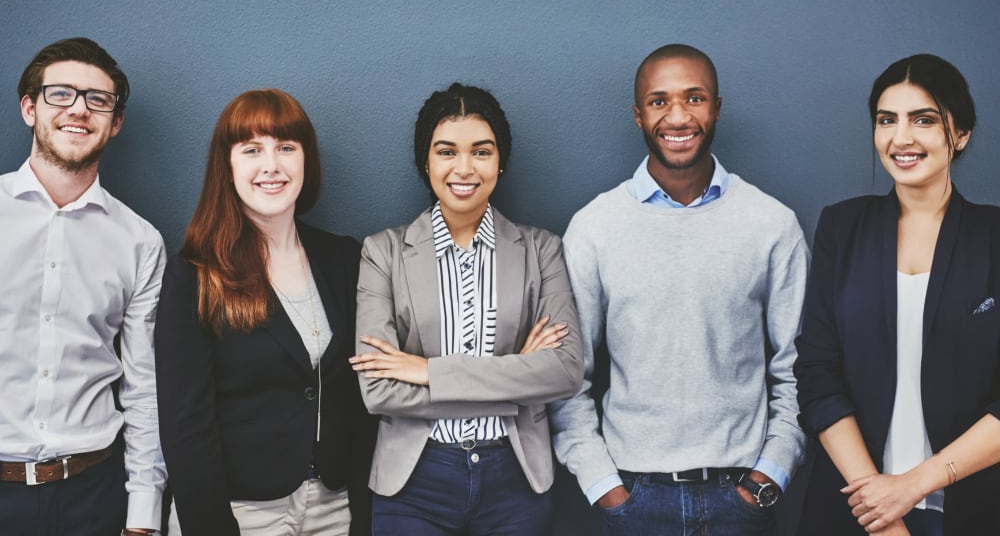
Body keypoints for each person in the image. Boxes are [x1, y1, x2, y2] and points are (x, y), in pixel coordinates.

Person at [549, 43, 809, 535]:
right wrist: (605, 486)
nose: (677, 116)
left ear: (716, 108)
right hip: (634, 499)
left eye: (694, 98)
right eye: (659, 101)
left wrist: (767, 478)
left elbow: (797, 368)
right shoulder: (594, 228)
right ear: (637, 114)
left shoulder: (772, 224)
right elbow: (567, 377)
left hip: (743, 501)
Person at [351, 82, 583, 536]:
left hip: (515, 479)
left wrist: (428, 371)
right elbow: (379, 392)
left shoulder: (541, 250)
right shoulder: (383, 252)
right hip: (414, 484)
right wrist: (518, 376)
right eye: (446, 151)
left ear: (500, 162)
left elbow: (565, 371)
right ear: (427, 161)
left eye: (481, 151)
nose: (464, 168)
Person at [794, 54, 1000, 536]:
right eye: (887, 120)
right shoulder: (842, 227)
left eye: (923, 119)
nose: (900, 137)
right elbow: (817, 372)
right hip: (854, 509)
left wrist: (912, 486)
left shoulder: (995, 236)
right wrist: (880, 508)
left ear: (962, 133)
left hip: (973, 510)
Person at [154, 89, 374, 536]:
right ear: (228, 165)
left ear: (305, 161)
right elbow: (185, 427)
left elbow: (361, 401)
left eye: (286, 148)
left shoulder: (345, 259)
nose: (271, 165)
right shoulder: (194, 276)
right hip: (237, 512)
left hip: (335, 507)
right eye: (252, 149)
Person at [0, 37, 166, 536]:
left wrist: (142, 515)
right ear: (30, 108)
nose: (78, 109)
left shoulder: (140, 241)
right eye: (61, 94)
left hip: (94, 496)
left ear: (114, 124)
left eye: (98, 100)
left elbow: (143, 388)